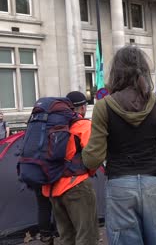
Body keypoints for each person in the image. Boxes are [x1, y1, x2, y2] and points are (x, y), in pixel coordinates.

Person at [82, 46, 156, 244]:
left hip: (119, 183)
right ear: (144, 70)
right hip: (152, 182)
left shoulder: (104, 106)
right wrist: (154, 145)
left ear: (116, 72)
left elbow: (93, 158)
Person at [41, 91, 98, 245]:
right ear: (82, 108)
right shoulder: (82, 125)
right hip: (76, 185)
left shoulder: (48, 125)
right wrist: (89, 173)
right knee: (86, 236)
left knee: (66, 237)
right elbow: (92, 157)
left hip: (53, 186)